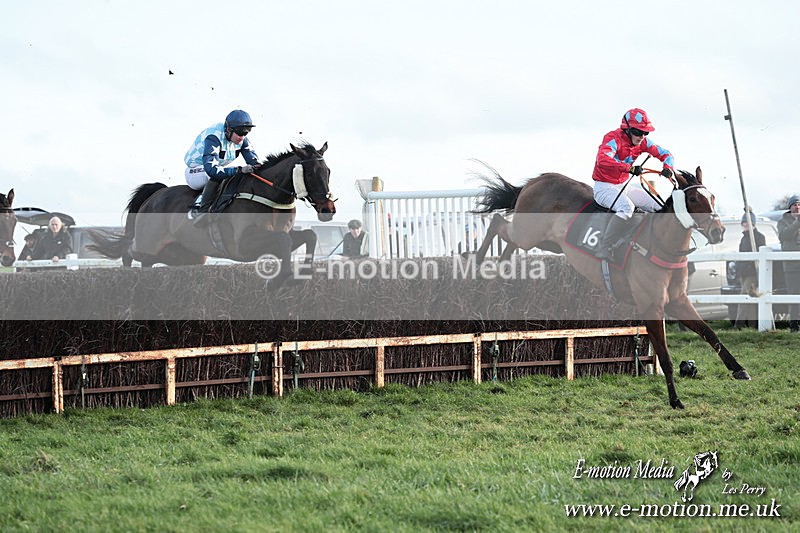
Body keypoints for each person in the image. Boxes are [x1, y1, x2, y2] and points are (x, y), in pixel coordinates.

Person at [593, 108, 675, 261]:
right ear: (627, 129)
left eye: (645, 133)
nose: (642, 137)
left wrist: (668, 168)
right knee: (627, 207)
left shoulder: (643, 142)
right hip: (604, 187)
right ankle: (605, 246)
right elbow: (602, 159)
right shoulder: (612, 138)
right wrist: (628, 168)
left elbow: (666, 154)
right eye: (638, 132)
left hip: (625, 186)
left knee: (659, 205)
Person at [184, 109, 262, 225]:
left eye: (246, 132)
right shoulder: (213, 137)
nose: (242, 137)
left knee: (234, 175)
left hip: (213, 167)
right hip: (195, 170)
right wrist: (239, 170)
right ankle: (200, 210)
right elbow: (212, 171)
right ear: (228, 129)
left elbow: (254, 163)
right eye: (240, 132)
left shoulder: (241, 139)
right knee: (221, 175)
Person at [734, 210, 766, 329]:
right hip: (743, 273)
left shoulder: (759, 237)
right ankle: (752, 325)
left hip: (752, 273)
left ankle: (739, 324)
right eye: (744, 223)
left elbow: (759, 255)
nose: (746, 225)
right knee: (750, 298)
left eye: (748, 222)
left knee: (743, 296)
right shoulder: (744, 238)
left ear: (753, 224)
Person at [778, 194, 800, 332]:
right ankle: (794, 325)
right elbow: (784, 235)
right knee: (793, 295)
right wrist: (797, 222)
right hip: (791, 267)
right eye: (794, 205)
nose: (797, 207)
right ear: (790, 207)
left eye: (799, 204)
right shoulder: (782, 222)